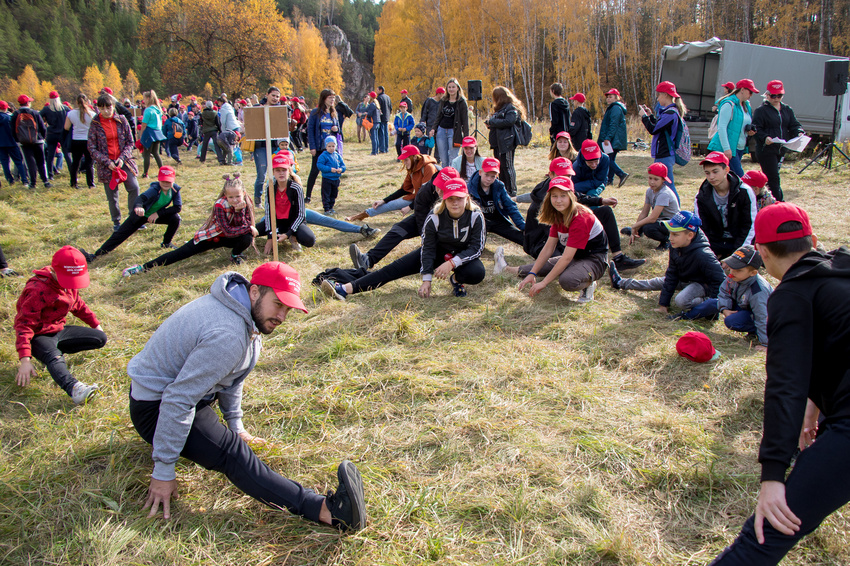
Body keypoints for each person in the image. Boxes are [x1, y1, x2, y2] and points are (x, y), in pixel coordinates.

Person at [128, 261, 366, 530]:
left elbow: (230, 377)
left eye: (288, 308)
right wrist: (163, 470)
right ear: (254, 291)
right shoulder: (229, 333)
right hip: (156, 409)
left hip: (177, 396)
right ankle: (327, 511)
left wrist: (236, 424)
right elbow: (178, 399)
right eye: (278, 304)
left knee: (231, 439)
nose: (282, 316)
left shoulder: (241, 310)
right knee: (233, 454)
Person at [708, 203, 850, 565]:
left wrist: (773, 475)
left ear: (764, 253)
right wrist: (813, 408)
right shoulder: (840, 271)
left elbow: (784, 384)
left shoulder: (792, 294)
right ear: (814, 240)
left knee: (764, 534)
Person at [323, 178, 486, 300]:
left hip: (462, 257)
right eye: (450, 198)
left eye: (459, 198)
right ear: (444, 198)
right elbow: (428, 248)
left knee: (476, 272)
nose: (455, 202)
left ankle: (456, 280)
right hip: (436, 252)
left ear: (467, 198)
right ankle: (344, 289)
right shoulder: (435, 216)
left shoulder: (476, 216)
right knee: (391, 270)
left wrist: (452, 263)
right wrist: (426, 279)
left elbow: (477, 248)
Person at [14, 246, 107, 405]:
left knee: (100, 338)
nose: (71, 285)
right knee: (54, 357)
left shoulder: (68, 285)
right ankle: (75, 389)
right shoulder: (37, 290)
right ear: (54, 271)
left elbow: (78, 305)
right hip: (38, 335)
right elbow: (24, 325)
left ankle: (53, 352)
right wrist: (25, 360)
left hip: (58, 330)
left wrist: (95, 324)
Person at [517, 157, 644, 272]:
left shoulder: (565, 188)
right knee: (565, 262)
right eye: (561, 175)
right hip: (543, 241)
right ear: (550, 175)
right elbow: (552, 236)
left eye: (569, 176)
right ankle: (520, 270)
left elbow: (578, 197)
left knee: (605, 211)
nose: (565, 179)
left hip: (563, 232)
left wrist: (601, 201)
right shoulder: (547, 197)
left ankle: (618, 257)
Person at [122, 174, 258, 275]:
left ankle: (235, 254)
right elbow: (228, 230)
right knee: (180, 253)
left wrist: (240, 212)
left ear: (243, 193)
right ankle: (143, 267)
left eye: (237, 196)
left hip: (230, 237)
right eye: (230, 197)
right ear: (225, 195)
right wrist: (248, 227)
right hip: (211, 237)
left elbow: (243, 224)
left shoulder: (245, 203)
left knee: (247, 236)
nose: (234, 200)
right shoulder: (219, 205)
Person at [502, 177, 606, 303]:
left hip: (594, 259)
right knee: (540, 266)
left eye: (563, 196)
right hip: (575, 257)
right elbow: (548, 248)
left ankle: (589, 283)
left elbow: (566, 258)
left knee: (567, 280)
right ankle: (506, 268)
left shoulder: (581, 218)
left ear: (571, 196)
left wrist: (544, 283)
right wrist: (532, 273)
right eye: (554, 196)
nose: (558, 200)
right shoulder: (558, 214)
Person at [609, 210, 724, 319]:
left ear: (690, 235)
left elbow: (720, 280)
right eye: (670, 233)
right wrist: (663, 305)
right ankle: (619, 282)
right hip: (683, 279)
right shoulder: (675, 246)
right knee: (654, 282)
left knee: (681, 301)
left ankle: (704, 301)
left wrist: (712, 309)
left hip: (700, 284)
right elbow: (672, 273)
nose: (670, 238)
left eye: (675, 234)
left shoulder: (703, 254)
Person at [348, 166, 455, 272]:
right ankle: (368, 259)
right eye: (438, 186)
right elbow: (420, 216)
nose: (440, 191)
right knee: (398, 229)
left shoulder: (459, 197)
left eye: (444, 188)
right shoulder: (425, 191)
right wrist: (425, 236)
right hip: (426, 218)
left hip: (449, 225)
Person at [81, 166, 182, 262]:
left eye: (168, 181)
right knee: (120, 234)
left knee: (175, 219)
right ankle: (96, 255)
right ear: (159, 179)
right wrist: (138, 207)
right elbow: (141, 198)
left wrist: (158, 213)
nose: (165, 183)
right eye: (163, 180)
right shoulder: (155, 189)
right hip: (141, 215)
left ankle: (166, 243)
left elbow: (177, 207)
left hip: (155, 216)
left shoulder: (175, 190)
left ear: (173, 180)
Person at [87, 94, 141, 230]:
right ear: (98, 108)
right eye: (102, 108)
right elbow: (91, 147)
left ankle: (134, 218)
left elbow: (130, 142)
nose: (106, 110)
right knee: (112, 195)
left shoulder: (121, 120)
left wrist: (122, 158)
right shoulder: (95, 124)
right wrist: (106, 162)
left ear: (113, 106)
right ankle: (116, 222)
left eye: (109, 107)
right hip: (107, 165)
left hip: (124, 162)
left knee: (134, 187)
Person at [345, 145, 438, 222]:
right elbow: (404, 189)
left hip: (432, 200)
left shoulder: (428, 168)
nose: (404, 163)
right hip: (418, 198)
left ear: (414, 157)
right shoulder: (412, 168)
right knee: (389, 205)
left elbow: (427, 194)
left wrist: (410, 207)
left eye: (406, 160)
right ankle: (361, 215)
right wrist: (384, 200)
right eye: (403, 160)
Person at [693, 151, 758, 258]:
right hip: (715, 241)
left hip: (740, 239)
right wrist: (708, 251)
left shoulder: (744, 192)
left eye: (715, 171)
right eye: (707, 173)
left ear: (726, 170)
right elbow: (702, 227)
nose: (711, 177)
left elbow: (749, 225)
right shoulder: (702, 195)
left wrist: (736, 255)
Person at [752, 80, 803, 202]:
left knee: (772, 178)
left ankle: (764, 199)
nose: (776, 98)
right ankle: (779, 202)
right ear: (767, 95)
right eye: (773, 96)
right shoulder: (761, 110)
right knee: (773, 178)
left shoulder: (787, 109)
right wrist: (765, 138)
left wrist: (799, 132)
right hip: (766, 149)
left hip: (781, 148)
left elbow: (794, 125)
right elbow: (756, 128)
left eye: (779, 95)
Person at [716, 244, 773, 350]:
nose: (731, 273)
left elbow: (762, 317)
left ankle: (756, 332)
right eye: (731, 267)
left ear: (753, 273)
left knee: (732, 321)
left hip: (765, 316)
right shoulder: (735, 276)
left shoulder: (758, 292)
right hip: (745, 308)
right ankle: (685, 316)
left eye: (738, 270)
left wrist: (766, 344)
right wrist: (724, 309)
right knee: (713, 303)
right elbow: (724, 291)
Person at [256, 153, 314, 254]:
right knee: (252, 231)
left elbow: (301, 215)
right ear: (273, 172)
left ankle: (293, 237)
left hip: (293, 222)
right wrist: (270, 237)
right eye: (277, 170)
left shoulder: (296, 188)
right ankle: (277, 234)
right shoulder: (270, 187)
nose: (281, 173)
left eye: (284, 170)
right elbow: (268, 212)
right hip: (277, 222)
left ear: (289, 171)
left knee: (309, 239)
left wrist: (288, 234)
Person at [639, 81, 687, 201]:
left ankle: (675, 211)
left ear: (665, 95)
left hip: (665, 154)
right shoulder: (669, 112)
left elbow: (653, 129)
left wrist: (644, 117)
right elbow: (660, 126)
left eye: (659, 95)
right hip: (664, 153)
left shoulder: (670, 113)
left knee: (668, 186)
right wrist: (650, 116)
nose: (658, 99)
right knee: (663, 185)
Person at [620, 163, 680, 250]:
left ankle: (666, 241)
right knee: (644, 224)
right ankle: (638, 232)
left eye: (656, 179)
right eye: (650, 178)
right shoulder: (650, 191)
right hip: (660, 221)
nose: (652, 182)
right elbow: (644, 213)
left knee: (648, 228)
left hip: (672, 223)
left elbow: (652, 218)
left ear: (663, 180)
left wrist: (634, 226)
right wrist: (636, 227)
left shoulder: (664, 193)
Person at [467, 158, 525, 245]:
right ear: (480, 172)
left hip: (497, 220)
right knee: (477, 245)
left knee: (522, 238)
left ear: (497, 176)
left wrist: (523, 226)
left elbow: (510, 206)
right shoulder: (470, 188)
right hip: (479, 221)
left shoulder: (499, 186)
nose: (489, 179)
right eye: (486, 175)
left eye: (493, 176)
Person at [708, 79, 758, 177]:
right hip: (728, 148)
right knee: (740, 178)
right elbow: (721, 127)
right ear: (742, 90)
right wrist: (726, 149)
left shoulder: (746, 105)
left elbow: (741, 126)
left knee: (729, 179)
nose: (751, 95)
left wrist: (749, 132)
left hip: (739, 148)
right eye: (750, 92)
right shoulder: (729, 104)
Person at [485, 86, 524, 197]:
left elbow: (510, 121)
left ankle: (512, 190)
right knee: (500, 166)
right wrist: (491, 123)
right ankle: (504, 188)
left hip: (507, 141)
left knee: (507, 166)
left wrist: (493, 122)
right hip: (498, 141)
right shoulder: (501, 109)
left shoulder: (511, 108)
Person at [250, 87, 284, 204]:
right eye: (273, 95)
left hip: (275, 145)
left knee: (276, 173)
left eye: (277, 96)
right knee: (262, 174)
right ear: (267, 95)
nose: (275, 98)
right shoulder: (257, 108)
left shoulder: (280, 110)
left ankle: (274, 199)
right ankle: (257, 199)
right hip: (261, 146)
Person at [306, 89, 340, 203]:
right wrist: (312, 147)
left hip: (331, 148)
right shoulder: (316, 112)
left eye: (333, 98)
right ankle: (308, 196)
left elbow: (338, 129)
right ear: (324, 98)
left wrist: (336, 129)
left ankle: (328, 197)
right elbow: (310, 130)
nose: (332, 100)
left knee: (330, 172)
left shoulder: (333, 113)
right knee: (315, 170)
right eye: (330, 97)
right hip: (319, 146)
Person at [13, 94, 51, 189]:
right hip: (38, 140)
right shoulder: (35, 113)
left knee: (30, 163)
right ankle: (45, 181)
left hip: (24, 142)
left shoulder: (16, 114)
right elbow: (43, 127)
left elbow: (12, 129)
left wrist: (18, 140)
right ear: (28, 103)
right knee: (41, 161)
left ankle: (33, 183)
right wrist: (42, 137)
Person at [428, 79, 468, 166]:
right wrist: (433, 129)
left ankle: (453, 177)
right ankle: (445, 178)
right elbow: (438, 116)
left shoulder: (462, 102)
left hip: (454, 132)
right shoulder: (443, 100)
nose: (451, 89)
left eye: (453, 87)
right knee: (444, 160)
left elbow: (465, 121)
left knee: (453, 159)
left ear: (457, 88)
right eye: (449, 87)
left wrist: (466, 137)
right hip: (441, 131)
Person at [597, 88, 629, 187]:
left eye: (610, 97)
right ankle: (609, 180)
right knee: (610, 159)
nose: (608, 99)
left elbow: (613, 125)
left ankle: (621, 174)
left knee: (607, 159)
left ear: (616, 97)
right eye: (607, 97)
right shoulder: (614, 108)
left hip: (612, 139)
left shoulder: (615, 108)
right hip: (613, 139)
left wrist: (607, 138)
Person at [65, 94, 96, 190]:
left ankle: (73, 182)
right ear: (87, 102)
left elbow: (66, 127)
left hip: (76, 140)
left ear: (76, 103)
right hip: (88, 140)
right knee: (89, 163)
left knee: (76, 163)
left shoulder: (71, 113)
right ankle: (90, 184)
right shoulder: (92, 114)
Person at [40, 91, 70, 180]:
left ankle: (50, 175)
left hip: (51, 134)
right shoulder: (65, 108)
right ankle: (73, 173)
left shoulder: (46, 109)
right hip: (63, 134)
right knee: (67, 155)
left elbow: (38, 117)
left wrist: (44, 123)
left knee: (50, 156)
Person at [0, 100, 29, 188]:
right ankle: (24, 180)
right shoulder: (10, 117)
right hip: (12, 143)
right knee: (18, 162)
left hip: (1, 144)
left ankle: (10, 180)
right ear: (6, 108)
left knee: (5, 163)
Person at [316, 136, 346, 216]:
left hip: (336, 179)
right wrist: (329, 169)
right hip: (327, 179)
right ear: (326, 146)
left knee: (334, 194)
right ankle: (326, 208)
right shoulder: (323, 156)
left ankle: (331, 207)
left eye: (333, 146)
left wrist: (341, 169)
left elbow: (343, 165)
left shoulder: (337, 155)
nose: (331, 148)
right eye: (329, 146)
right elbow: (319, 165)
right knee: (326, 194)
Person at [199, 100, 222, 165]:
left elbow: (201, 122)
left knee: (204, 145)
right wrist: (220, 130)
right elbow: (218, 123)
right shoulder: (214, 113)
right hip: (214, 130)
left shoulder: (202, 114)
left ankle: (202, 159)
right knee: (216, 145)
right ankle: (220, 159)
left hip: (206, 131)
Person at [376, 86, 392, 154]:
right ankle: (386, 148)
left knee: (381, 134)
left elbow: (378, 108)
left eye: (377, 90)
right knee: (386, 133)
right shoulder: (388, 97)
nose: (376, 91)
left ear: (381, 90)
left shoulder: (379, 98)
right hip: (386, 117)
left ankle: (382, 149)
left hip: (381, 117)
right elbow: (390, 107)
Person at [365, 91, 381, 156]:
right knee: (376, 138)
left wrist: (366, 114)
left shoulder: (372, 104)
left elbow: (370, 114)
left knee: (373, 138)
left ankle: (374, 152)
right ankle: (376, 151)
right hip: (377, 122)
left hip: (373, 123)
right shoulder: (377, 104)